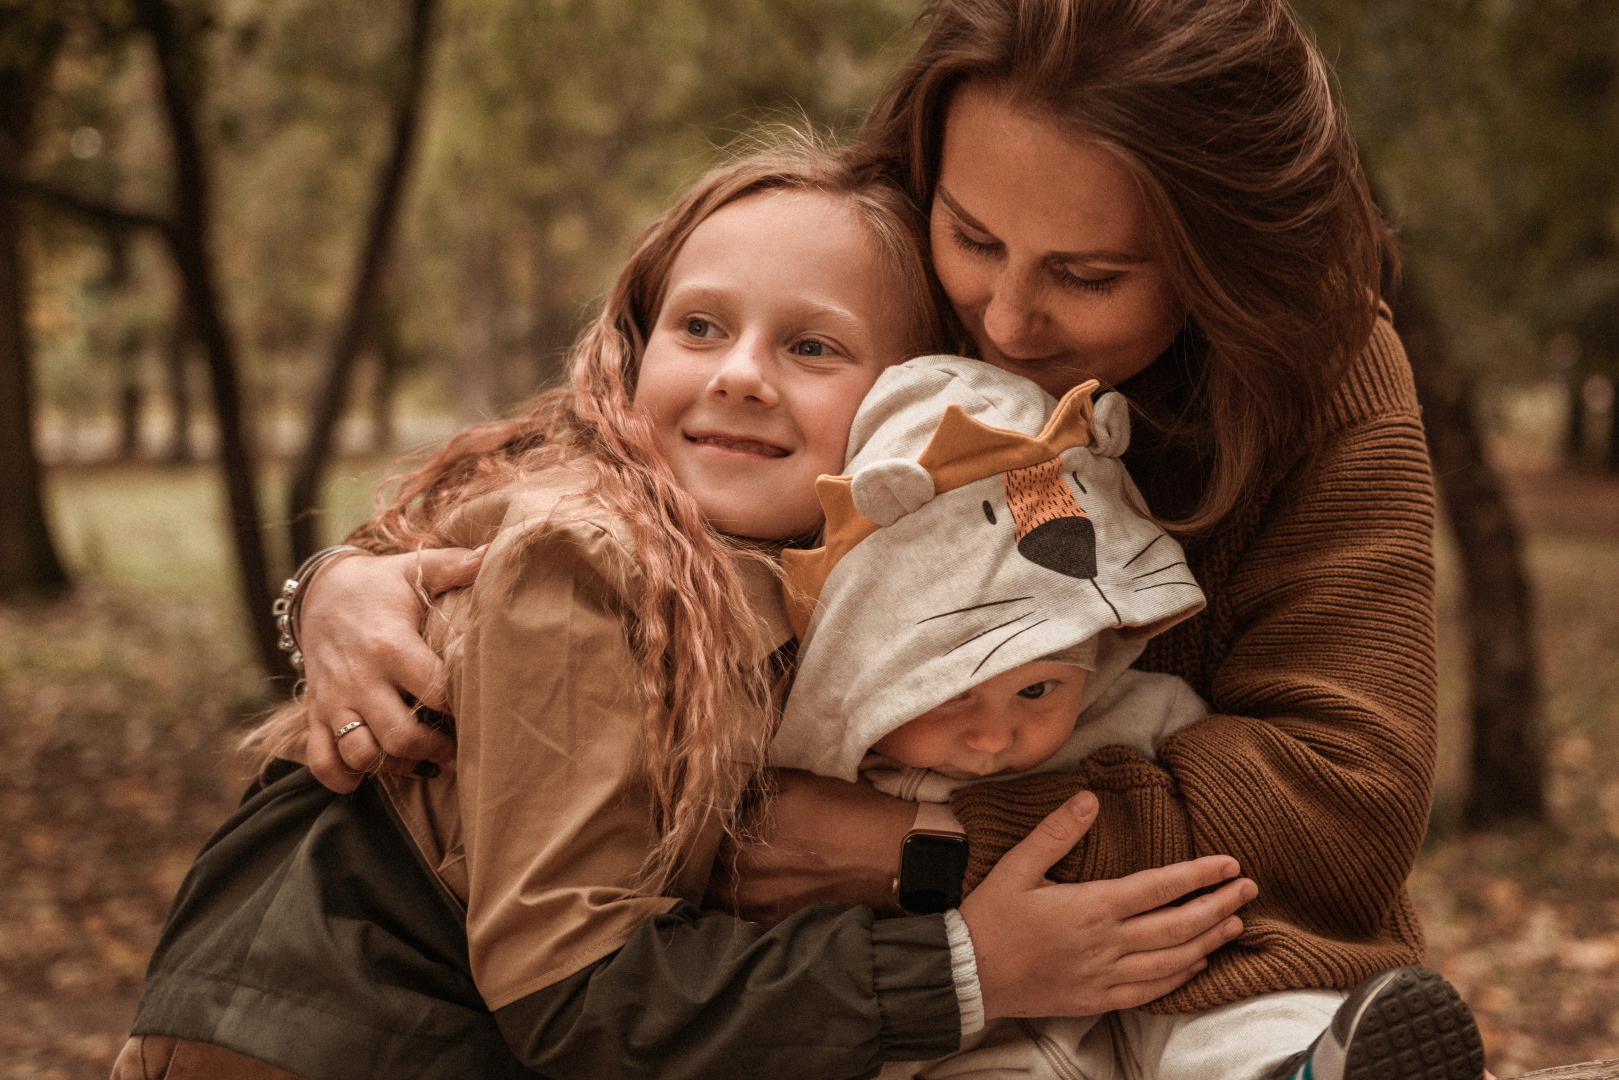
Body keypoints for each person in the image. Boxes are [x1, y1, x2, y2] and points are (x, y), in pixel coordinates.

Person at [293, 0, 1494, 1077]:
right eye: (973, 237)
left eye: (1086, 275)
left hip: (1185, 948)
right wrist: (341, 582)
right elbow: (613, 459)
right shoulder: (883, 272)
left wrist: (919, 847)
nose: (1007, 320)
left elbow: (1344, 794)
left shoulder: (1317, 373)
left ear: (1221, 264)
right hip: (858, 986)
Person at [113, 145, 1253, 1080]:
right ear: (635, 347)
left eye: (810, 347)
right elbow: (572, 996)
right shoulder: (585, 567)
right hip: (309, 1042)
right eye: (700, 328)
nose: (740, 374)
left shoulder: (819, 575)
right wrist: (963, 970)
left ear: (910, 403)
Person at [769, 354, 1484, 1079]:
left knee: (1240, 990)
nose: (994, 736)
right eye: (950, 694)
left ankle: (1299, 1068)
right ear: (863, 671)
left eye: (1038, 690)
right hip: (974, 1043)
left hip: (1161, 994)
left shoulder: (1140, 720)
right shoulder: (811, 794)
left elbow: (1265, 842)